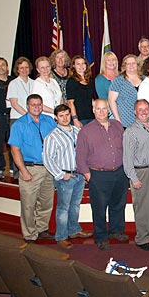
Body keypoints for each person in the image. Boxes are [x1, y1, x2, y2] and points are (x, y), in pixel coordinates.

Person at [76, 99, 129, 251]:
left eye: (104, 108)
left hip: (119, 173)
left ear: (108, 110)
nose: (101, 111)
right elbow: (80, 156)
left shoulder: (118, 126)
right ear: (93, 110)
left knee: (118, 204)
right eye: (98, 109)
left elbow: (125, 148)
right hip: (98, 175)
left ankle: (116, 231)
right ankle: (101, 237)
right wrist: (88, 176)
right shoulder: (86, 131)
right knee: (99, 208)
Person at [42, 104, 92, 249]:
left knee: (75, 205)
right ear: (56, 118)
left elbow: (85, 152)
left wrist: (84, 170)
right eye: (61, 115)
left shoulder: (78, 131)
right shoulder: (52, 136)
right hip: (65, 176)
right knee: (63, 208)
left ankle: (74, 230)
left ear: (70, 115)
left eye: (67, 115)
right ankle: (61, 236)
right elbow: (48, 158)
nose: (65, 118)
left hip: (79, 174)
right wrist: (60, 174)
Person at [8, 94, 56, 243]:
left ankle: (42, 229)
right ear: (27, 106)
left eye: (39, 104)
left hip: (48, 168)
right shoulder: (19, 125)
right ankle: (29, 234)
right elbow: (14, 150)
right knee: (28, 205)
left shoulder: (49, 121)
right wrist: (23, 171)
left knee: (46, 202)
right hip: (31, 169)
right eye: (33, 104)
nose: (36, 107)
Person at [123, 99, 149, 251]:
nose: (144, 111)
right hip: (140, 171)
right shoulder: (130, 131)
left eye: (146, 108)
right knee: (142, 206)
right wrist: (133, 178)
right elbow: (127, 158)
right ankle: (142, 238)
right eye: (141, 109)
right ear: (135, 112)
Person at [6, 57, 34, 178]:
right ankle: (17, 173)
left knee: (28, 146)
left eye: (26, 67)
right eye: (21, 67)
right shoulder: (14, 83)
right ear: (17, 69)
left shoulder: (34, 83)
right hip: (18, 118)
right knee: (17, 146)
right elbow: (14, 103)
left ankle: (28, 170)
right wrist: (28, 115)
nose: (24, 70)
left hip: (31, 118)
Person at [108, 54, 143, 128]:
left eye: (133, 63)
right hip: (124, 121)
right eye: (128, 64)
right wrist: (117, 120)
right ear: (124, 66)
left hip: (143, 120)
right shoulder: (118, 81)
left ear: (138, 65)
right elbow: (111, 101)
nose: (131, 65)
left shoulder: (145, 79)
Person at [66, 55, 95, 128]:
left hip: (91, 117)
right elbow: (70, 102)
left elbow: (91, 99)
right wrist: (75, 119)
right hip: (80, 118)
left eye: (83, 63)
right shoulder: (71, 81)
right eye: (78, 64)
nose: (81, 66)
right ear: (73, 66)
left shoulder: (89, 80)